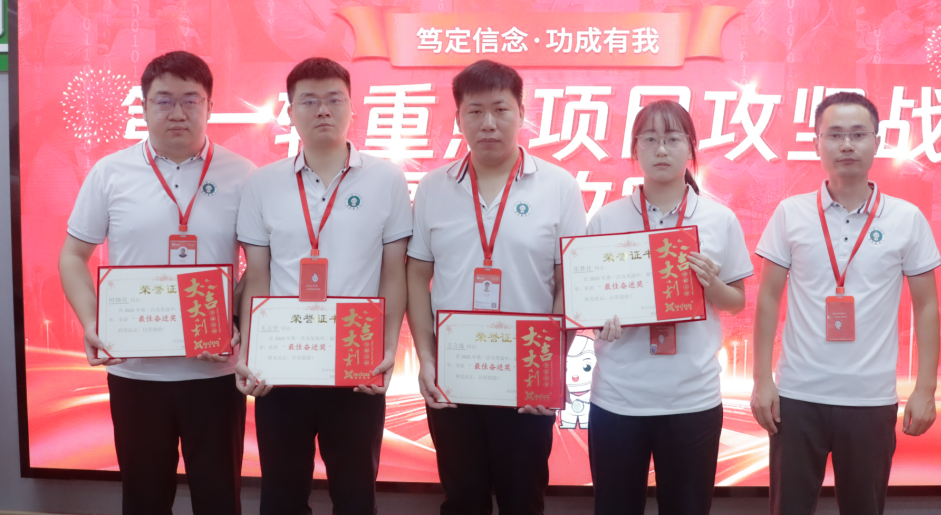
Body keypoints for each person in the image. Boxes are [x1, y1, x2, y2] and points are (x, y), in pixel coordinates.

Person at [59, 51, 255, 515]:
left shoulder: (244, 175)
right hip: (135, 373)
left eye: (191, 100)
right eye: (163, 100)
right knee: (143, 499)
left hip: (214, 375)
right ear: (144, 106)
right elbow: (73, 255)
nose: (177, 112)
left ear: (210, 106)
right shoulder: (110, 173)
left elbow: (259, 266)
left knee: (219, 499)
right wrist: (92, 323)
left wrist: (233, 320)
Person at [406, 59, 587, 515]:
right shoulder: (432, 188)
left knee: (522, 498)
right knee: (462, 498)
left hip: (526, 377)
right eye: (475, 111)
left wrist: (550, 367)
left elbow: (570, 282)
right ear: (458, 118)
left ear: (522, 113)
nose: (488, 123)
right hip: (454, 374)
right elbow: (416, 276)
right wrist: (427, 359)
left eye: (501, 109)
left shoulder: (559, 187)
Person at [232, 57, 412, 515]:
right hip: (283, 363)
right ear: (290, 112)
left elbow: (394, 272)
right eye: (309, 101)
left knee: (354, 494)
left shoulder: (387, 179)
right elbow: (257, 275)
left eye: (334, 99)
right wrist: (251, 352)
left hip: (356, 361)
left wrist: (387, 347)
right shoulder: (263, 183)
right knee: (282, 494)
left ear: (353, 107)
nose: (323, 110)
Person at [751, 92, 941, 515]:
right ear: (817, 144)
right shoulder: (790, 213)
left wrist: (926, 388)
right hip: (797, 397)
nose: (847, 145)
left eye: (858, 134)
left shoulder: (906, 218)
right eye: (835, 135)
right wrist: (762, 380)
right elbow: (767, 298)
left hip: (870, 398)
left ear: (877, 142)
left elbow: (926, 306)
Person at [586, 100, 754, 515]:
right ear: (635, 149)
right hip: (618, 398)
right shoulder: (607, 219)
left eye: (673, 139)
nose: (661, 149)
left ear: (691, 147)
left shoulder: (719, 219)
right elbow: (589, 302)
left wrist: (711, 284)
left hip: (692, 400)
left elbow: (737, 302)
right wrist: (598, 323)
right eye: (650, 139)